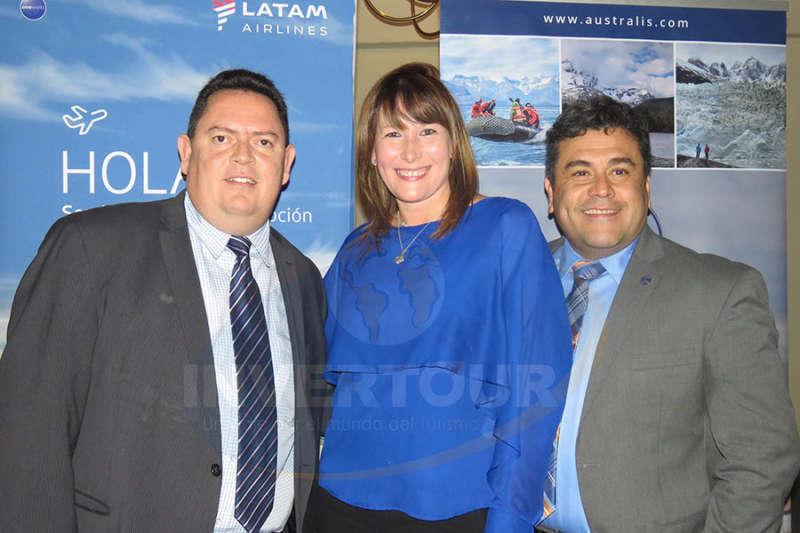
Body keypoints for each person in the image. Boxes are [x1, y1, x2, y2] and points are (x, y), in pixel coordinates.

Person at [0, 69, 329, 533]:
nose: (243, 155)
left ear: (287, 163)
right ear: (186, 153)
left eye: (264, 143)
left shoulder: (305, 281)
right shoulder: (89, 249)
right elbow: (27, 435)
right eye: (221, 137)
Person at [315, 63, 571, 533]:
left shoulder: (505, 228)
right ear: (372, 153)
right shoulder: (356, 248)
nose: (410, 151)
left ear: (454, 144)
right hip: (337, 503)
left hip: (456, 512)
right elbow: (314, 372)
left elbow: (539, 384)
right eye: (393, 133)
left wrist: (511, 517)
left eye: (427, 130)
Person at [539, 95, 800, 532]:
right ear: (551, 193)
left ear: (646, 188)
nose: (600, 188)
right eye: (579, 171)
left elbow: (761, 459)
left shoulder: (720, 294)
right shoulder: (512, 280)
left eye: (620, 171)